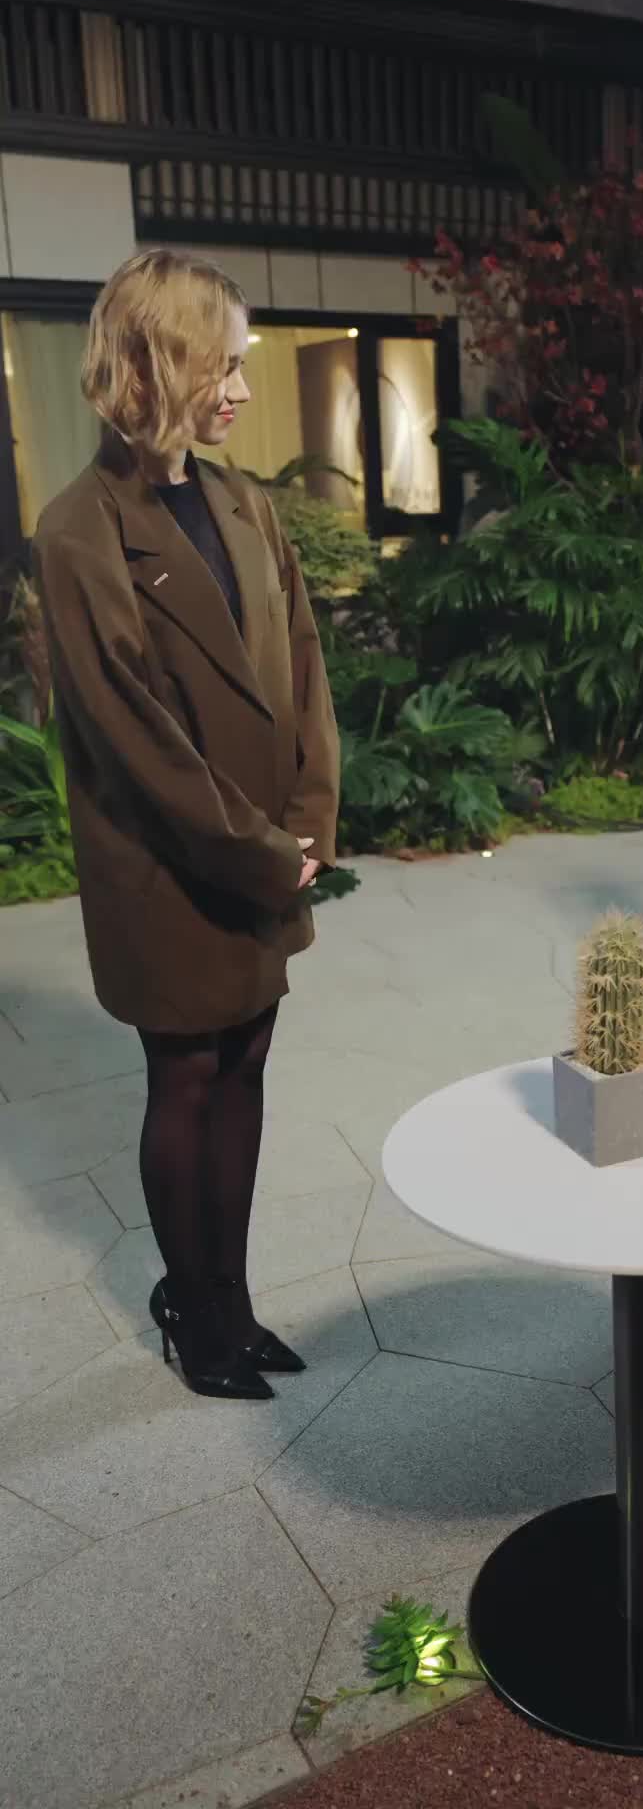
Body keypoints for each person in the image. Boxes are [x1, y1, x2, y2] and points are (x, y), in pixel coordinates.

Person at [33, 249, 340, 1398]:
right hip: (168, 865)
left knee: (249, 1059)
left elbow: (305, 667)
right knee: (191, 1075)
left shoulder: (243, 502)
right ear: (161, 363)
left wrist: (309, 816)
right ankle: (194, 1312)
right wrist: (263, 851)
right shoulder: (79, 531)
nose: (243, 390)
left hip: (266, 850)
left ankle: (235, 1305)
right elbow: (135, 738)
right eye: (226, 366)